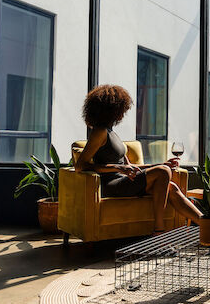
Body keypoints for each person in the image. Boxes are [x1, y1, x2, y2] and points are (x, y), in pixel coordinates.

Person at [74, 84, 202, 235]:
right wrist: (117, 168)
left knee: (171, 187)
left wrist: (161, 164)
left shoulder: (111, 132)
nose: (123, 113)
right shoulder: (99, 132)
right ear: (111, 110)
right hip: (112, 185)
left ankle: (207, 224)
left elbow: (131, 167)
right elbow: (80, 166)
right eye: (121, 109)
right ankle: (158, 231)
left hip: (126, 180)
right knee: (163, 172)